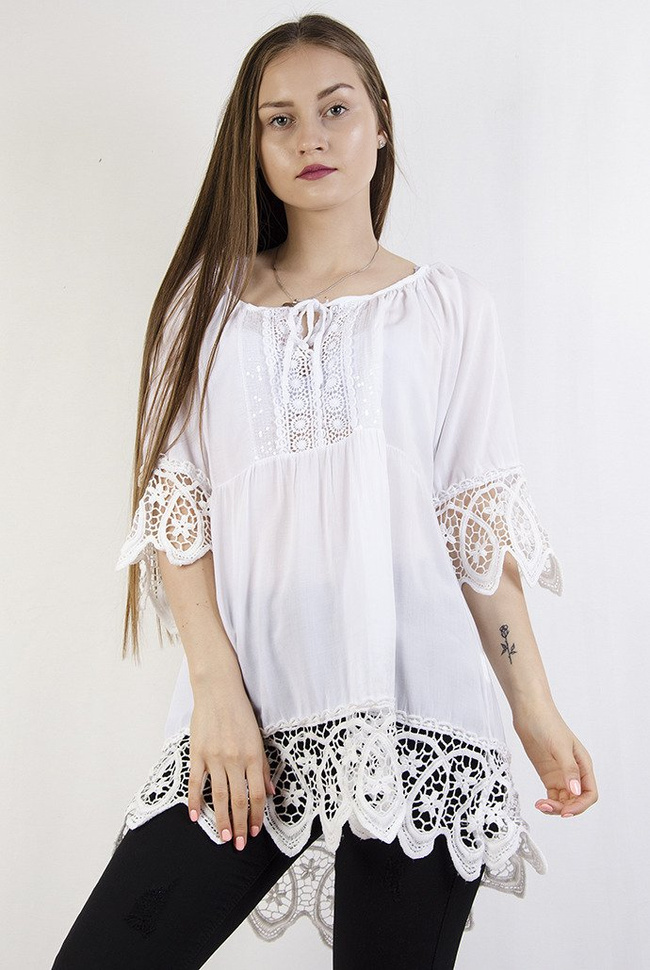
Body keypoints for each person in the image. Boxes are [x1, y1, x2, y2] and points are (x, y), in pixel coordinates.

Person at [52, 12, 598, 970]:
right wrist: (216, 694)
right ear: (254, 146)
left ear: (380, 123)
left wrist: (535, 708)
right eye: (281, 119)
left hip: (420, 723)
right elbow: (179, 512)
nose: (311, 136)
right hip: (248, 719)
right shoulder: (203, 310)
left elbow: (474, 533)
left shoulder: (448, 308)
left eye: (336, 108)